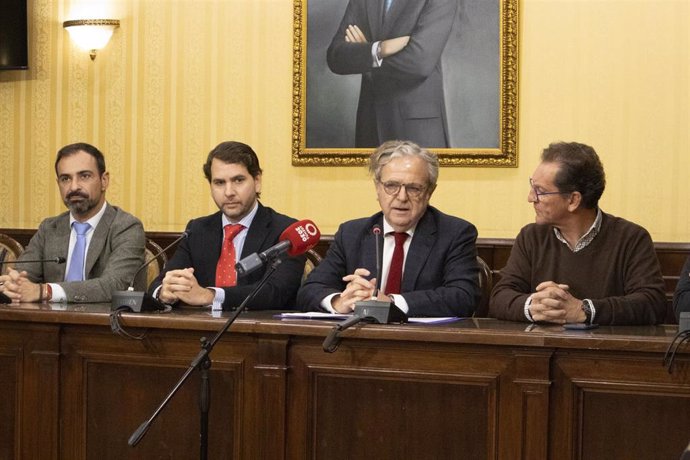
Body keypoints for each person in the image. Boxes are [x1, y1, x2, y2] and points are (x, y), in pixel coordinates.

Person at [489, 141, 666, 325]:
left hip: (605, 351)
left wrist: (585, 310)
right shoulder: (531, 237)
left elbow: (652, 303)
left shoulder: (631, 238)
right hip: (540, 350)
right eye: (532, 187)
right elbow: (499, 297)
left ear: (573, 200)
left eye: (540, 191)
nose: (530, 198)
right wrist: (533, 306)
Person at [297, 140, 479, 317]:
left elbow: (463, 296)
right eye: (391, 186)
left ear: (429, 192)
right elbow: (310, 290)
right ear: (378, 188)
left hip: (424, 344)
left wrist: (391, 302)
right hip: (361, 341)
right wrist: (340, 301)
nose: (401, 197)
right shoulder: (351, 234)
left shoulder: (455, 233)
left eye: (414, 188)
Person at [148, 141, 305, 310]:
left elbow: (275, 293)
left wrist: (210, 296)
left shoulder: (286, 231)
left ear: (257, 181)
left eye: (238, 180)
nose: (229, 192)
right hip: (199, 330)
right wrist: (165, 292)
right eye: (219, 183)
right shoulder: (198, 229)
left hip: (258, 331)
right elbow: (160, 283)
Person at [0, 142, 146, 303]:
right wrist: (13, 284)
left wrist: (45, 291)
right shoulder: (49, 228)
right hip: (49, 324)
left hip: (104, 325)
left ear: (104, 180)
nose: (74, 186)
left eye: (84, 176)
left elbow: (114, 285)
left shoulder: (126, 227)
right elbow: (23, 275)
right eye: (65, 179)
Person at [326, 0, 457, 148]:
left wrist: (367, 57)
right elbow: (335, 57)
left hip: (416, 131)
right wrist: (381, 48)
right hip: (370, 125)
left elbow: (418, 63)